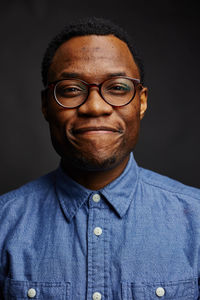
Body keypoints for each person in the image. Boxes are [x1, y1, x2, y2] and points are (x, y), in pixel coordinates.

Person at [0, 17, 200, 300]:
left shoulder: (196, 220)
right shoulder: (4, 224)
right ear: (46, 105)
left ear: (141, 102)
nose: (95, 107)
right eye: (71, 89)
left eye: (117, 87)